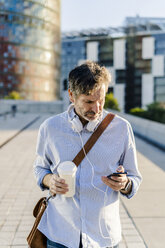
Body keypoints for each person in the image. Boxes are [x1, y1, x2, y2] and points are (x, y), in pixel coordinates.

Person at [34, 61, 142, 248]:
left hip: (104, 237)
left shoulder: (122, 129)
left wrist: (125, 183)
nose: (97, 108)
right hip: (61, 235)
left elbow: (135, 178)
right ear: (71, 96)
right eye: (89, 101)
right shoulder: (50, 128)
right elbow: (40, 168)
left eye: (101, 100)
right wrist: (49, 180)